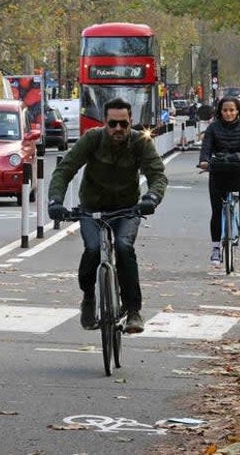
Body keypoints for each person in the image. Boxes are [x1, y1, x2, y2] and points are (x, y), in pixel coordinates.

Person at [47, 98, 168, 334]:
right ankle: (89, 297)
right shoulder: (92, 139)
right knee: (92, 250)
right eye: (113, 124)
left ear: (130, 122)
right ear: (105, 123)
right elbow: (65, 170)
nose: (118, 129)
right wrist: (55, 201)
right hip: (92, 209)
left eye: (123, 124)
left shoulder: (140, 142)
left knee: (124, 248)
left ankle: (133, 310)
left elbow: (157, 175)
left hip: (127, 210)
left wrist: (152, 198)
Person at [197, 96, 240, 265]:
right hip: (218, 167)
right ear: (220, 111)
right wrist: (203, 161)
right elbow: (206, 148)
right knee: (217, 211)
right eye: (225, 110)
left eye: (232, 110)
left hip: (239, 165)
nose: (228, 113)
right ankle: (216, 249)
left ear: (238, 111)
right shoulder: (213, 128)